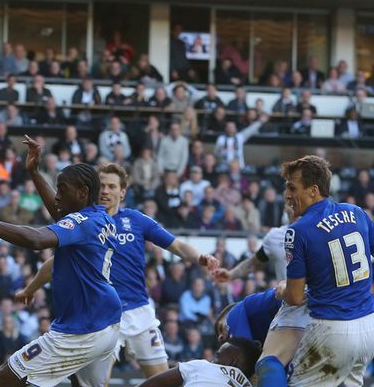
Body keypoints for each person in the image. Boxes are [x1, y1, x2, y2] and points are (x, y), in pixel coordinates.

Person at [18, 139, 219, 382]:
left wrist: (199, 257)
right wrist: (32, 287)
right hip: (104, 315)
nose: (105, 191)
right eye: (101, 185)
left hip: (139, 310)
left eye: (112, 186)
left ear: (122, 192)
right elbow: (56, 263)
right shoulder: (85, 220)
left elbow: (175, 245)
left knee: (162, 380)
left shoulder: (136, 220)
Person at [0, 163, 122, 387]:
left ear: (83, 192)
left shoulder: (82, 223)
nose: (57, 197)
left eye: (62, 189)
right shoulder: (102, 218)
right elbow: (60, 214)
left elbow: (36, 240)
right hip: (108, 323)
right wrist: (34, 172)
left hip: (81, 331)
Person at [277, 156, 374, 386]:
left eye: (292, 188)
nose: (288, 195)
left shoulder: (297, 230)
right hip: (369, 327)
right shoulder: (358, 212)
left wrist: (281, 290)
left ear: (313, 190)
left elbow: (295, 297)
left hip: (332, 331)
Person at [138, 337, 261, 387]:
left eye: (218, 356)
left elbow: (152, 384)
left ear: (233, 361)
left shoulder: (202, 365)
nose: (213, 359)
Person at [214, 285, 282, 345]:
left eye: (221, 328)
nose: (221, 337)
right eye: (222, 341)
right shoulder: (253, 332)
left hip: (284, 300)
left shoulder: (233, 312)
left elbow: (243, 348)